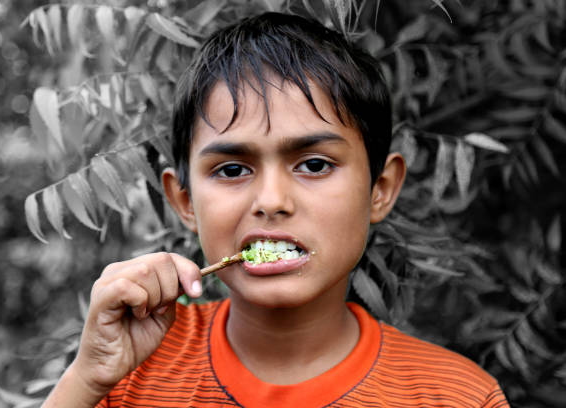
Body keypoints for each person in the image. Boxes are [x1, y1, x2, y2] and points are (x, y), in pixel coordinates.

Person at [44, 12, 509, 407]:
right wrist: (84, 381)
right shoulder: (125, 377)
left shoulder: (456, 396)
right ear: (183, 200)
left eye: (313, 164)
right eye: (231, 170)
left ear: (379, 190)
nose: (271, 201)